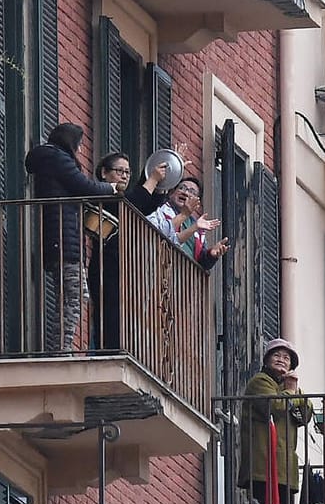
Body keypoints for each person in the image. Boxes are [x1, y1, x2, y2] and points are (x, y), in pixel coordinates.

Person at [25, 124, 125, 352]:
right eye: (79, 144)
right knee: (76, 295)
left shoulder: (52, 160)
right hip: (63, 241)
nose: (80, 150)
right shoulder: (57, 158)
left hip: (61, 238)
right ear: (70, 142)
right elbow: (84, 186)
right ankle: (61, 348)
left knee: (70, 296)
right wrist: (111, 188)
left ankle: (61, 346)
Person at [87, 152, 177, 350]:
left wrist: (162, 183)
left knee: (125, 313)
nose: (125, 176)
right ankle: (107, 352)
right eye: (120, 171)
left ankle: (122, 349)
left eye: (128, 172)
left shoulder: (124, 197)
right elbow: (134, 203)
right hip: (106, 265)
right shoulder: (104, 193)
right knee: (109, 314)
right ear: (104, 173)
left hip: (125, 264)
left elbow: (146, 205)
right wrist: (152, 179)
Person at [238, 339, 312, 504]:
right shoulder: (260, 382)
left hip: (285, 468)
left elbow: (305, 415)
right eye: (276, 355)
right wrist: (291, 393)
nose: (281, 360)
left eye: (286, 358)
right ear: (267, 360)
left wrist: (293, 393)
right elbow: (276, 406)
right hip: (263, 465)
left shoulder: (290, 388)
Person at [147, 177, 229, 269]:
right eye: (182, 188)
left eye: (192, 192)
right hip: (159, 270)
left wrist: (211, 254)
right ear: (171, 193)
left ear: (197, 203)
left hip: (184, 278)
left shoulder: (197, 227)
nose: (185, 193)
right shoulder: (159, 210)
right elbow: (151, 233)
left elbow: (201, 263)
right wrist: (183, 215)